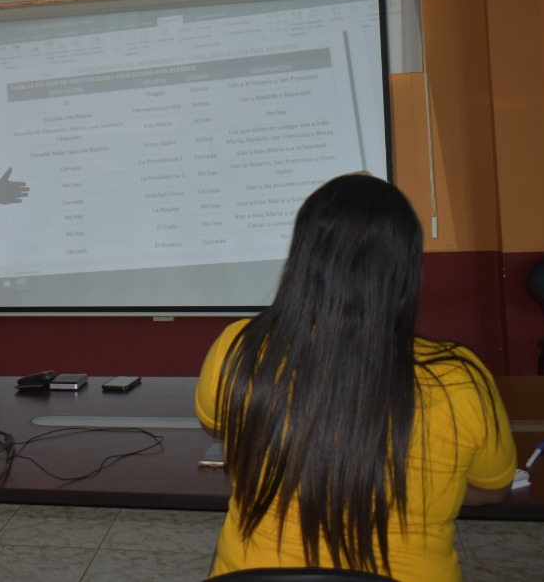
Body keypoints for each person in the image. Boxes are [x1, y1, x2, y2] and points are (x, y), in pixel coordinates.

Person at [195, 174, 516, 582]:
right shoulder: (460, 377)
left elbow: (219, 427)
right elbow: (493, 489)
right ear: (405, 268)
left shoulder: (239, 346)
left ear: (302, 257)